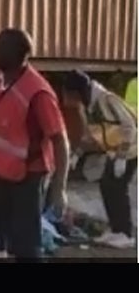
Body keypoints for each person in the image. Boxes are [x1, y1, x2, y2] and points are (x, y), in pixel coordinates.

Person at [0, 28, 70, 260]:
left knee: (26, 247)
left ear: (19, 55)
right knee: (0, 237)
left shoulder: (38, 93)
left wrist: (59, 189)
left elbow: (60, 140)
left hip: (25, 179)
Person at [62, 70, 137, 249]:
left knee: (118, 188)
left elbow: (130, 127)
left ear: (78, 91)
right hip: (114, 151)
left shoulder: (107, 100)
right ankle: (116, 230)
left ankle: (126, 234)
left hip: (130, 150)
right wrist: (77, 154)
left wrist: (122, 157)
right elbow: (91, 135)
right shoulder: (92, 104)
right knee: (106, 186)